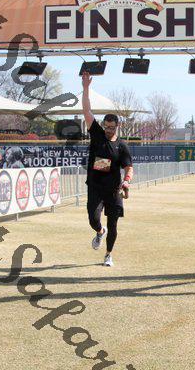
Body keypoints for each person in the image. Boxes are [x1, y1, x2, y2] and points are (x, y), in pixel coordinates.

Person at [81, 72, 133, 267]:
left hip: (113, 190)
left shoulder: (122, 146)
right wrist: (86, 88)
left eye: (112, 127)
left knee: (113, 223)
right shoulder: (97, 134)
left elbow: (128, 167)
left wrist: (126, 181)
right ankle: (99, 232)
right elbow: (86, 110)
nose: (109, 130)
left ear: (118, 126)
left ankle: (108, 255)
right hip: (95, 187)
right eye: (106, 126)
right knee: (93, 219)